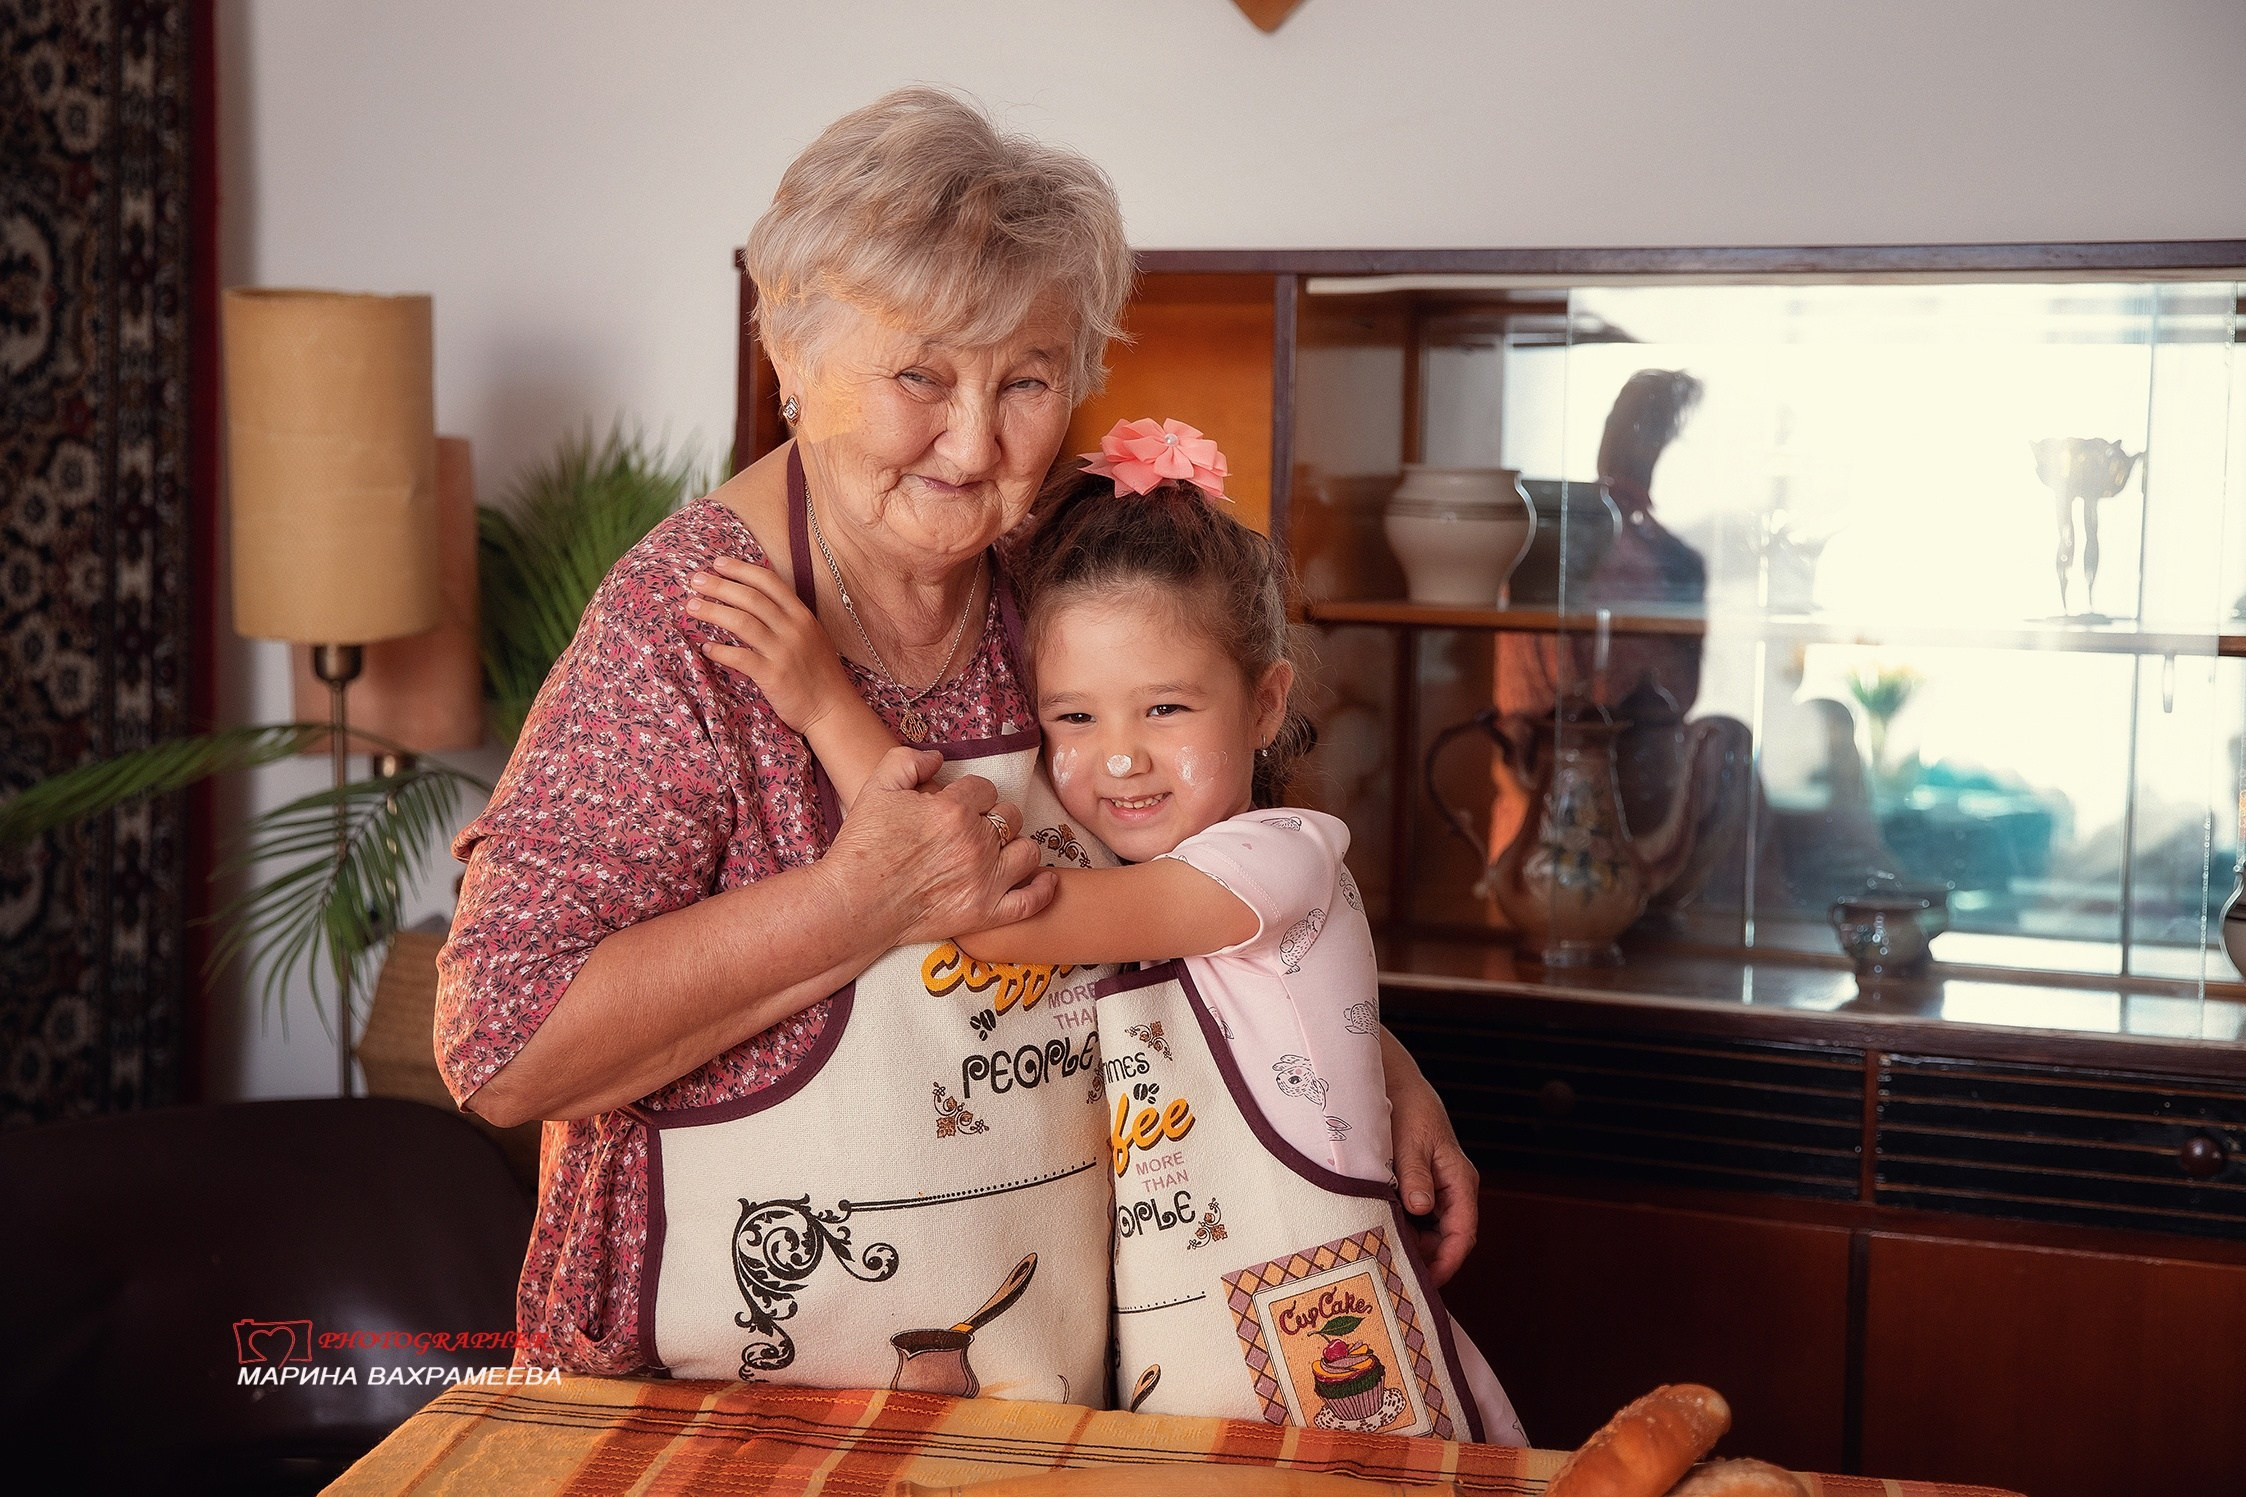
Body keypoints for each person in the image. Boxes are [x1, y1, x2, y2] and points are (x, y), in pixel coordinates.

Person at [436, 87, 1482, 1387]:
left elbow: (1188, 876)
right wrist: (848, 904)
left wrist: (1364, 1057)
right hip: (714, 1402)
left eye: (1026, 380)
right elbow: (501, 1049)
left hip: (1038, 1391)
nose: (975, 439)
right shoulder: (689, 628)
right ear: (795, 362)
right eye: (920, 375)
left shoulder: (1053, 590)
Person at [688, 418, 1527, 1442]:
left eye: (1164, 708)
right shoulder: (1143, 872)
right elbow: (1294, 1009)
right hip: (1191, 1395)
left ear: (1264, 706)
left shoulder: (1274, 854)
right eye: (1074, 720)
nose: (1118, 759)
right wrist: (1400, 1075)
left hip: (1329, 1386)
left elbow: (990, 915)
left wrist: (824, 702)